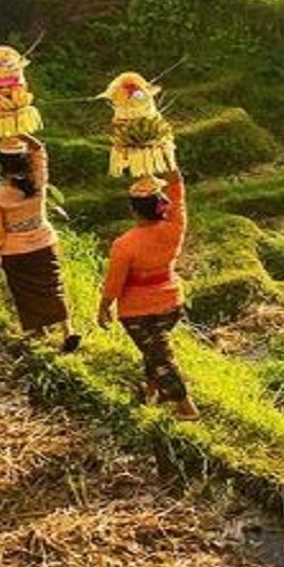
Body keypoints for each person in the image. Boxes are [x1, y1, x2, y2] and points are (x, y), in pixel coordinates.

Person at [98, 170, 198, 420]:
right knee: (153, 350)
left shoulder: (125, 244)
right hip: (172, 304)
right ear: (160, 207)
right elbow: (179, 199)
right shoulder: (175, 228)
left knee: (161, 358)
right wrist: (173, 175)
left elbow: (114, 283)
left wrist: (104, 306)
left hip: (138, 313)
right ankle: (151, 390)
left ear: (134, 210)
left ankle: (187, 409)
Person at [0, 135, 80, 352]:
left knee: (25, 292)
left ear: (1, 165)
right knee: (53, 287)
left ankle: (41, 332)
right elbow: (40, 151)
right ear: (26, 161)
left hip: (16, 252)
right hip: (45, 244)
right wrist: (21, 133)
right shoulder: (38, 181)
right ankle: (68, 331)